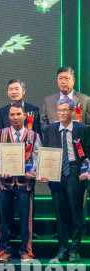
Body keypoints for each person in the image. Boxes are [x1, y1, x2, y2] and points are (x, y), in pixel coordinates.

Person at [40, 97, 90, 262]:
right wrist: (44, 171)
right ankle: (62, 249)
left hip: (76, 172)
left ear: (72, 112)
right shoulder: (50, 129)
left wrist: (86, 170)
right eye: (59, 110)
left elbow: (88, 154)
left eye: (64, 110)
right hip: (56, 174)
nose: (61, 113)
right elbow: (45, 153)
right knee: (60, 213)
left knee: (76, 213)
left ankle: (74, 249)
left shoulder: (83, 129)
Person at [0, 102, 40, 262]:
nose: (15, 118)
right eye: (12, 115)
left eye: (18, 114)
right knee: (3, 219)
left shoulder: (34, 136)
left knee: (25, 219)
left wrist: (33, 170)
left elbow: (36, 157)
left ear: (24, 116)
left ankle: (25, 251)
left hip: (24, 184)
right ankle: (4, 250)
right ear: (8, 117)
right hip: (4, 183)